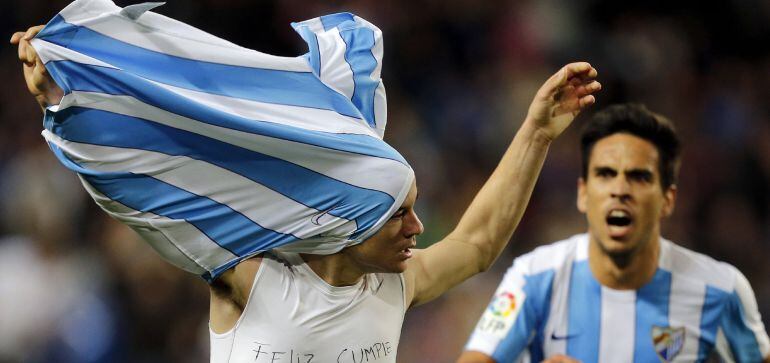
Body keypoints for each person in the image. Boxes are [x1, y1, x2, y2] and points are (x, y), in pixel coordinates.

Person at [11, 5, 601, 362]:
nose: (417, 229)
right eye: (398, 213)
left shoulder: (393, 286)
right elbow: (140, 197)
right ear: (345, 222)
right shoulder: (250, 281)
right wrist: (66, 98)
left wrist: (537, 132)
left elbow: (477, 243)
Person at [458, 104, 770, 363]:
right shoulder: (535, 278)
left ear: (667, 200)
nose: (620, 190)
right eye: (606, 174)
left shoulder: (720, 290)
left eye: (639, 177)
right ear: (583, 193)